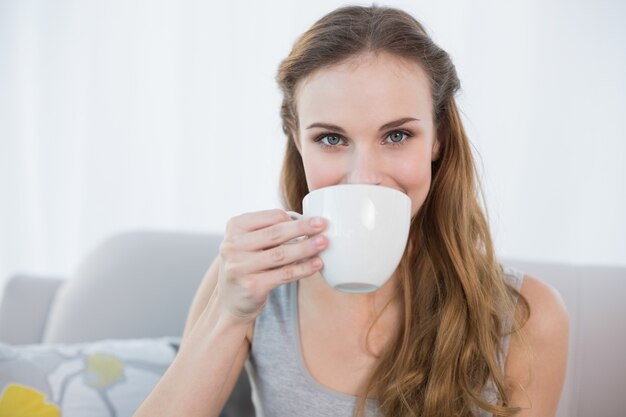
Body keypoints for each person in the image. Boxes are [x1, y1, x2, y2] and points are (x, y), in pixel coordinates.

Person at [134, 5, 568, 417]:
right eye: (331, 138)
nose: (364, 176)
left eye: (396, 136)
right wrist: (228, 316)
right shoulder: (250, 283)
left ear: (438, 138)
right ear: (297, 140)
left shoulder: (527, 315)